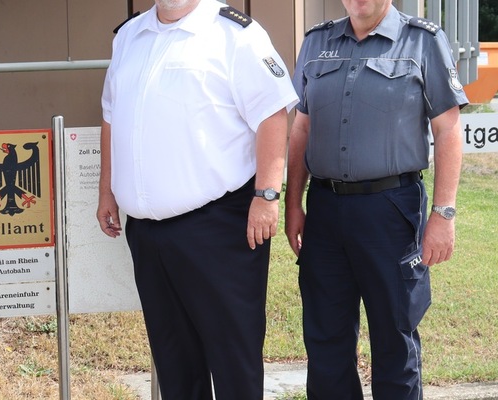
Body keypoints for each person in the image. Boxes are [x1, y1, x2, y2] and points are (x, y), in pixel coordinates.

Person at [97, 0, 298, 398]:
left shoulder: (235, 34)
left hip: (218, 227)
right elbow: (110, 116)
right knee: (175, 363)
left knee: (232, 360)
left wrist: (267, 194)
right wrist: (107, 189)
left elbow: (273, 114)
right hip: (148, 235)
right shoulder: (130, 38)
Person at [285, 0, 468, 398]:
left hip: (390, 211)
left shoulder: (422, 41)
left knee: (394, 339)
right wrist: (292, 203)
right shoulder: (317, 43)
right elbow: (301, 127)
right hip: (325, 211)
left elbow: (449, 130)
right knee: (325, 339)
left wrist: (443, 214)